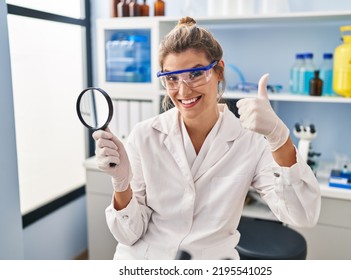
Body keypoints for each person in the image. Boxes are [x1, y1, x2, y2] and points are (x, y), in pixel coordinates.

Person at [92, 16, 321, 260]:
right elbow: (128, 234)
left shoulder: (249, 141)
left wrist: (279, 137)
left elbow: (303, 215)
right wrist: (121, 184)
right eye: (172, 78)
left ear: (219, 71)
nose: (183, 90)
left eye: (195, 74)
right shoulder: (144, 135)